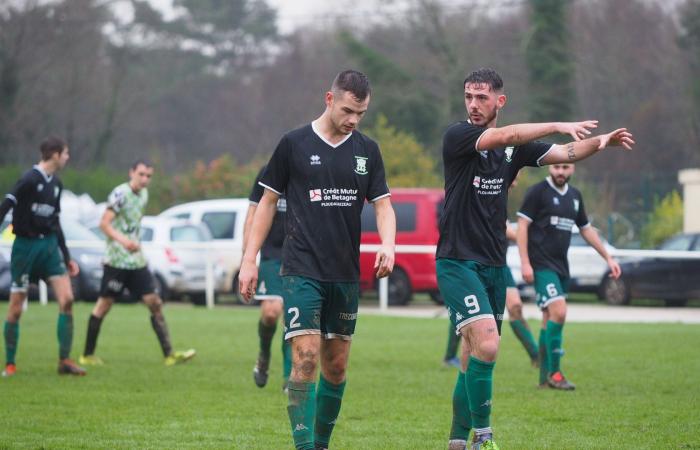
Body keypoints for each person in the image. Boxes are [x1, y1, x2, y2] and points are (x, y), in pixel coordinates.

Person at [437, 68, 634, 450]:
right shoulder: (458, 137)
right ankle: (484, 437)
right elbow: (508, 134)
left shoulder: (515, 151)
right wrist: (559, 123)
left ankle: (457, 441)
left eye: (482, 98)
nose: (474, 105)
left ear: (500, 101)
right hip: (457, 259)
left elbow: (568, 152)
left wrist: (602, 142)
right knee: (489, 345)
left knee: (473, 354)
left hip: (493, 263)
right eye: (468, 97)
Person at [238, 70, 396, 450]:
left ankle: (321, 444)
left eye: (361, 113)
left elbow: (384, 205)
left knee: (336, 366)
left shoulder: (367, 150)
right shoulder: (293, 144)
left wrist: (388, 243)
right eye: (347, 110)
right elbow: (266, 203)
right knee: (305, 358)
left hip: (343, 272)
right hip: (300, 268)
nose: (353, 120)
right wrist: (249, 258)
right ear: (329, 99)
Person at [79, 160, 195, 367]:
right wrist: (124, 242)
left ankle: (169, 354)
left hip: (136, 260)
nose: (145, 179)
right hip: (116, 260)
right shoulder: (120, 194)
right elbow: (104, 224)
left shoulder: (143, 194)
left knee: (154, 302)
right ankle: (87, 355)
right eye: (141, 174)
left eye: (149, 176)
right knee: (104, 306)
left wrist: (135, 245)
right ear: (131, 172)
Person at [516, 163, 621, 390]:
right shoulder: (537, 192)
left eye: (565, 167)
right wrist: (525, 262)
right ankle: (555, 374)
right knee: (559, 312)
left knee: (548, 319)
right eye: (556, 167)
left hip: (561, 266)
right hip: (542, 265)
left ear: (572, 168)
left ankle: (544, 379)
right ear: (549, 168)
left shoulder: (574, 196)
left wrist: (608, 257)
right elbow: (522, 226)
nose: (560, 172)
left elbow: (586, 229)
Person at [0, 136, 85, 376]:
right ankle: (10, 363)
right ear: (55, 154)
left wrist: (66, 255)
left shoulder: (56, 184)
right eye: (66, 153)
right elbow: (7, 203)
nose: (68, 158)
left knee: (67, 299)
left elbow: (55, 222)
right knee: (16, 308)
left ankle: (64, 361)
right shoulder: (29, 179)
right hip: (25, 248)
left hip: (48, 248)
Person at [443, 221, 538, 369]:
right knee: (467, 312)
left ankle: (536, 355)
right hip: (475, 265)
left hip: (500, 265)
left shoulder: (498, 202)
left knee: (515, 307)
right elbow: (507, 230)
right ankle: (450, 356)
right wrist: (527, 235)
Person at [243, 165, 292, 391]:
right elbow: (252, 214)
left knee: (293, 318)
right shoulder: (267, 173)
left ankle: (289, 378)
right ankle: (264, 354)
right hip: (272, 254)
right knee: (271, 313)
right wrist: (247, 259)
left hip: (300, 255)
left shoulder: (313, 169)